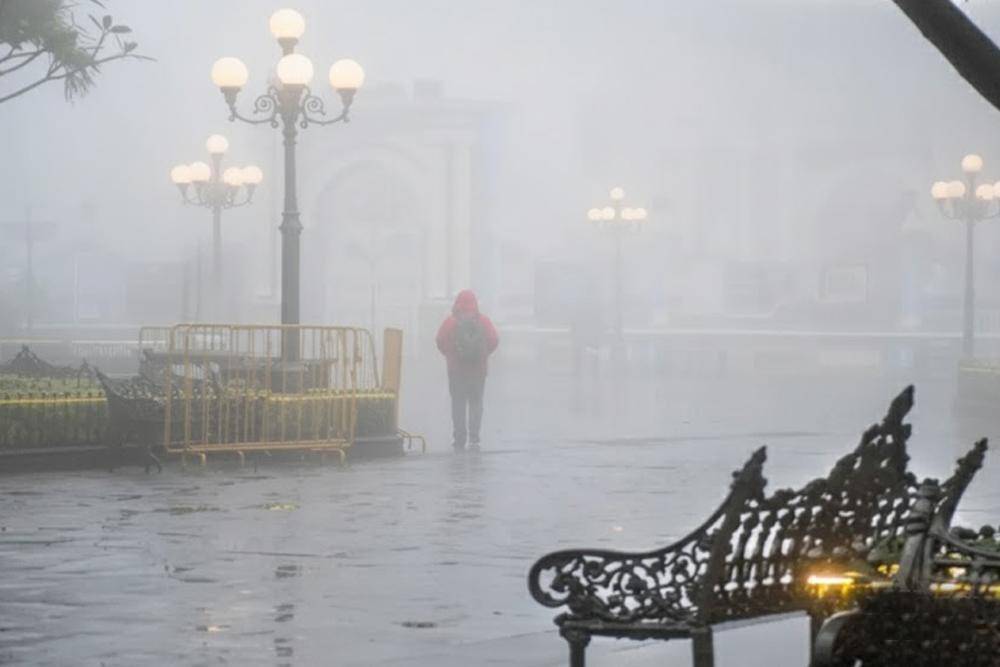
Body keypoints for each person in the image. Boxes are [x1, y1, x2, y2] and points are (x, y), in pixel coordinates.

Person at [435, 290, 499, 451]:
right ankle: (474, 438)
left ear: (457, 303)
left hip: (456, 371)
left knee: (458, 403)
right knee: (476, 403)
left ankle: (459, 438)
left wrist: (450, 354)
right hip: (478, 371)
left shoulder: (450, 322)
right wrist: (484, 354)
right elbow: (494, 339)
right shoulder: (483, 321)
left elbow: (439, 340)